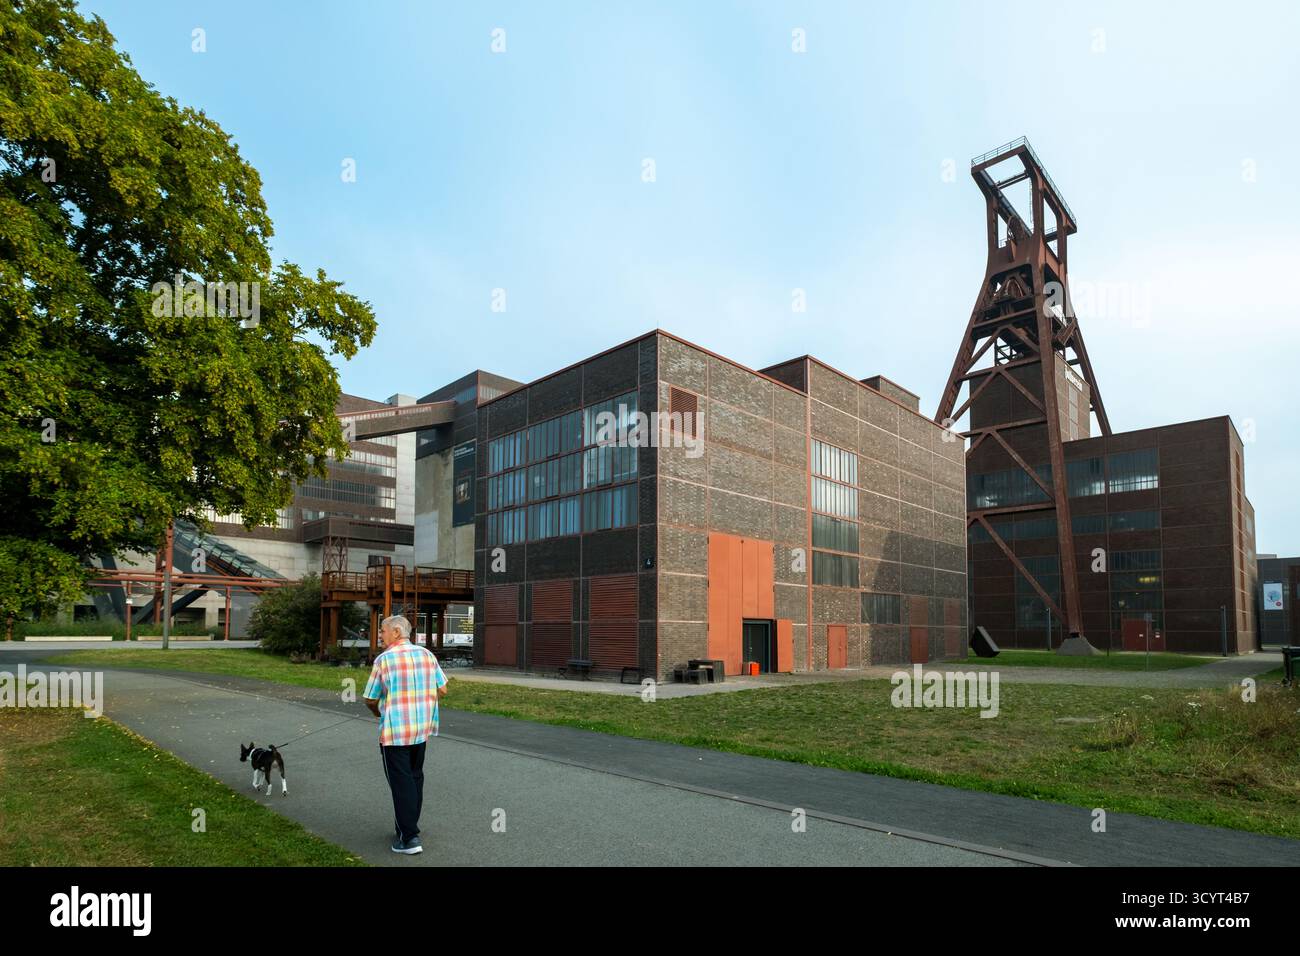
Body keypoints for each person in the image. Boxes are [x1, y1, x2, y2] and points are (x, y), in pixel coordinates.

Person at [362, 614, 449, 855]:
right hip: (421, 730)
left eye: (383, 631)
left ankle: (409, 838)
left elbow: (370, 697)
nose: (380, 635)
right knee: (414, 778)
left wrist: (377, 712)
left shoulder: (384, 660)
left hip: (395, 733)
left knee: (401, 784)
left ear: (397, 632)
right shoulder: (427, 655)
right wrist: (421, 698)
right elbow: (442, 688)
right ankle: (409, 828)